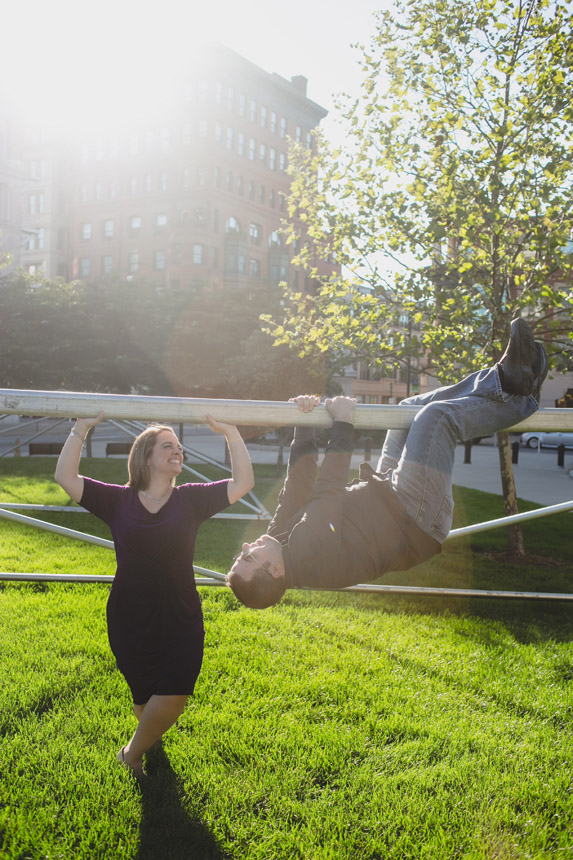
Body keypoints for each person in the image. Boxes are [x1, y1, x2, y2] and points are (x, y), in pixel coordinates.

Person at [227, 318, 548, 609]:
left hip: (386, 494)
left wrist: (304, 421)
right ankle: (524, 399)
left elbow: (297, 486)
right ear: (276, 570)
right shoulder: (307, 559)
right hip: (414, 517)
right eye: (248, 557)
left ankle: (506, 379)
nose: (245, 545)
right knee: (435, 419)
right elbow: (328, 491)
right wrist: (343, 423)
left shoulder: (277, 539)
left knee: (406, 409)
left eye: (241, 554)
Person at [55, 412, 254, 780]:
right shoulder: (118, 501)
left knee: (175, 691)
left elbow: (243, 483)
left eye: (179, 447)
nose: (178, 451)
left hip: (181, 616)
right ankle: (149, 735)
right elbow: (66, 478)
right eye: (167, 446)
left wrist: (231, 431)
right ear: (146, 457)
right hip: (130, 617)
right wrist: (81, 428)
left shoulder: (191, 499)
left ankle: (130, 754)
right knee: (144, 696)